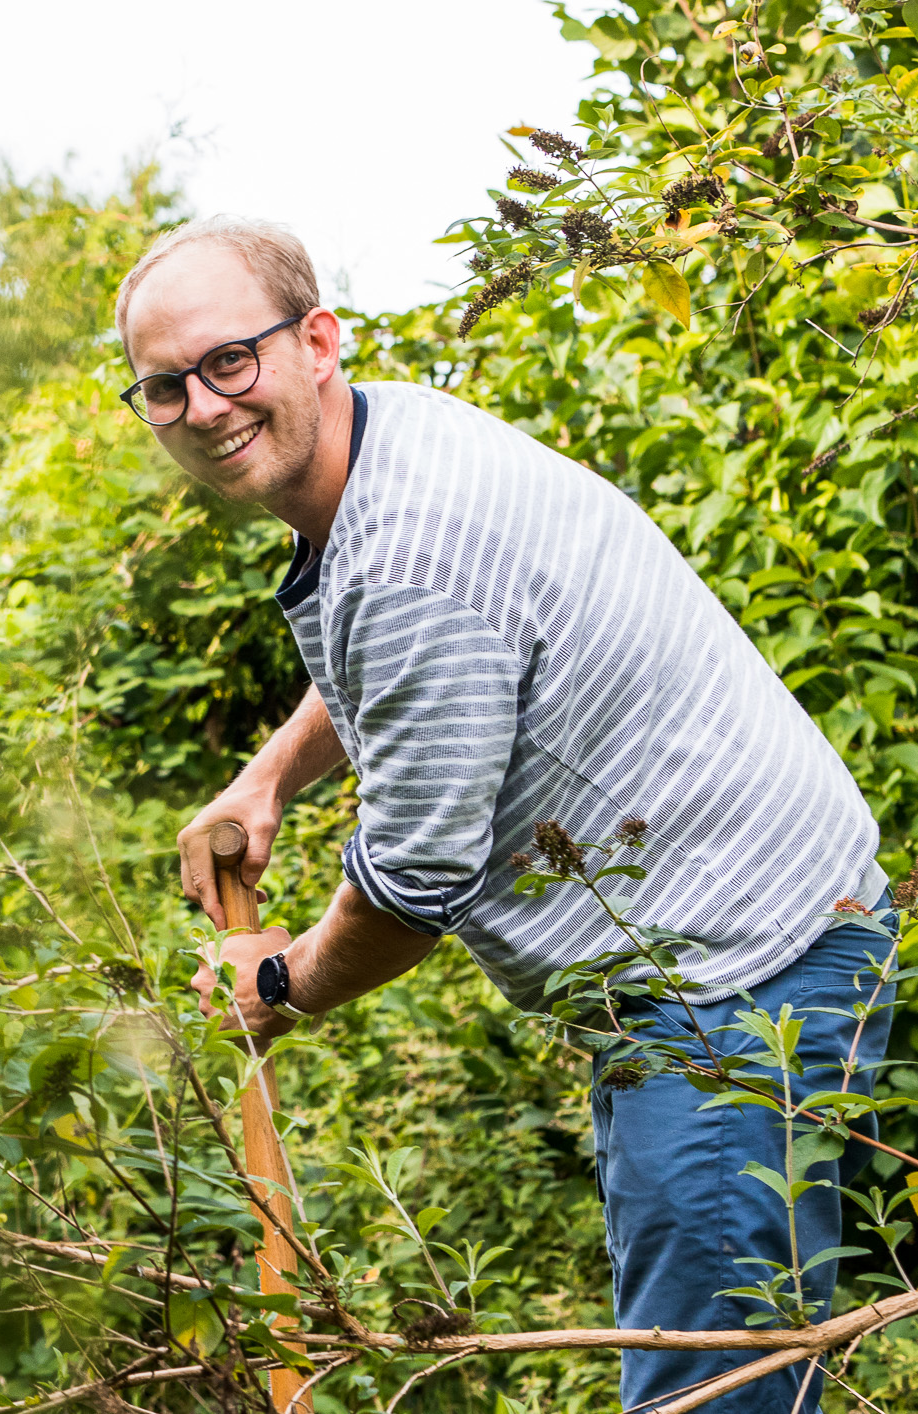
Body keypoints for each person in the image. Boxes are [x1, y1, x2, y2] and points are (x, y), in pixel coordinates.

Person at [118, 215, 893, 1414]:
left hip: (736, 994)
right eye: (166, 386)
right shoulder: (389, 442)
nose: (205, 407)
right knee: (763, 1365)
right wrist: (272, 772)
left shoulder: (407, 559)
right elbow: (411, 652)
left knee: (718, 1398)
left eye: (231, 362)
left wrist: (275, 985)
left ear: (317, 340)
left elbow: (412, 886)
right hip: (777, 927)